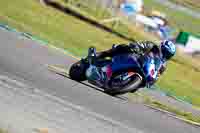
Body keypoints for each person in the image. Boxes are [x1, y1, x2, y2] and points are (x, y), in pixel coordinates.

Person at [86, 40, 176, 88]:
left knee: (139, 86)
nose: (165, 55)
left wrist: (153, 81)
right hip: (135, 59)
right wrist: (136, 47)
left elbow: (157, 75)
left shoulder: (163, 66)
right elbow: (140, 45)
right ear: (161, 47)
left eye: (168, 54)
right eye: (165, 51)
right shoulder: (151, 46)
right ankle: (99, 55)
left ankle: (119, 83)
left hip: (144, 71)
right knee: (124, 47)